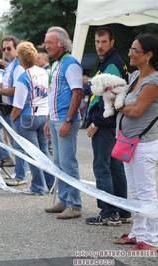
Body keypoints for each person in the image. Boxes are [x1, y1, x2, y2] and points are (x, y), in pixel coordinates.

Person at [113, 34, 158, 251]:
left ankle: (152, 240)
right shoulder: (133, 77)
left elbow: (136, 111)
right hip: (128, 142)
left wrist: (117, 105)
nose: (130, 53)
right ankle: (138, 233)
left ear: (148, 55)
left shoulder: (153, 81)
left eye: (135, 50)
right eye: (131, 49)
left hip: (144, 144)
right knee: (135, 191)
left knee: (147, 192)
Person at [85, 26, 131, 226]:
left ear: (112, 43)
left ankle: (109, 211)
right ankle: (122, 210)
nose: (100, 46)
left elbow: (109, 102)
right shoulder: (110, 62)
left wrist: (95, 122)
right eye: (97, 41)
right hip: (113, 124)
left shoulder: (112, 64)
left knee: (102, 166)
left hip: (106, 124)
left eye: (104, 42)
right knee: (115, 166)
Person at [43, 26, 83, 219]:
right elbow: (54, 94)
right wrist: (49, 119)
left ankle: (75, 205)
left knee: (68, 163)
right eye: (46, 42)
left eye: (50, 42)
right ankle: (65, 200)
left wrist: (68, 120)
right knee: (59, 163)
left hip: (65, 120)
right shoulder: (57, 64)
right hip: (56, 119)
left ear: (62, 43)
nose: (46, 46)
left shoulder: (70, 63)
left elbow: (77, 92)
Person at [11, 41, 55, 196]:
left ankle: (37, 186)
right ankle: (51, 184)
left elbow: (19, 104)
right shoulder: (45, 73)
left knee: (33, 153)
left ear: (21, 60)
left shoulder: (24, 77)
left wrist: (12, 118)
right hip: (43, 114)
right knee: (44, 151)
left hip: (28, 117)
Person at [0, 35, 29, 186]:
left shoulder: (18, 66)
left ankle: (21, 175)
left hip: (14, 108)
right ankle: (17, 170)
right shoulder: (10, 66)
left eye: (9, 48)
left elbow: (16, 90)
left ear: (16, 49)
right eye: (4, 49)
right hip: (6, 108)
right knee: (11, 140)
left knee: (18, 143)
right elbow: (5, 85)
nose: (6, 51)